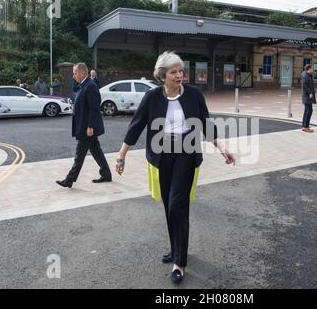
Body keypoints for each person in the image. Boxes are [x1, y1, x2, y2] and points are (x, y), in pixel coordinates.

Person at [115, 51, 236, 285]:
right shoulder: (152, 98)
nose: (179, 75)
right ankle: (177, 247)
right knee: (170, 206)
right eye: (174, 72)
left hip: (186, 155)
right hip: (162, 157)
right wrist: (121, 156)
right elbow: (136, 127)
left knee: (177, 205)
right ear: (163, 76)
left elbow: (206, 124)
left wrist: (222, 148)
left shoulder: (193, 95)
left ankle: (179, 262)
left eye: (181, 71)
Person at [56, 63, 112, 188]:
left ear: (83, 73)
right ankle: (106, 174)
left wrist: (90, 127)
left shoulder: (91, 86)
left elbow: (94, 109)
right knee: (96, 151)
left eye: (75, 73)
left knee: (79, 154)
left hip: (88, 127)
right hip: (84, 125)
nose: (73, 75)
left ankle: (69, 180)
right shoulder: (83, 85)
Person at [301, 64, 316, 133]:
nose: (313, 70)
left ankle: (304, 125)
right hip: (307, 97)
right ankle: (306, 127)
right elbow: (304, 85)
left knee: (306, 111)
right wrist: (310, 93)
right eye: (312, 68)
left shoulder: (308, 75)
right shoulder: (305, 76)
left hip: (307, 96)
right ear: (309, 69)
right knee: (309, 111)